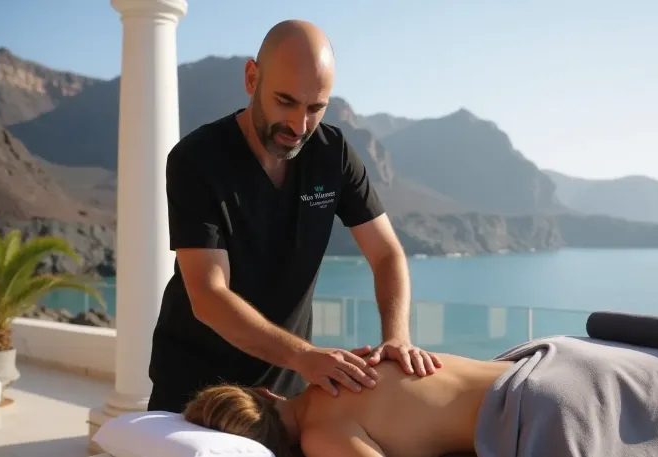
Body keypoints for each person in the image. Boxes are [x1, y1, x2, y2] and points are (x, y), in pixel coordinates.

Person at [147, 19, 442, 414]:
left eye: (315, 108)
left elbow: (386, 253)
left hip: (286, 394)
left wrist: (397, 338)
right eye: (285, 101)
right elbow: (208, 295)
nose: (298, 126)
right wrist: (305, 355)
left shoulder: (332, 154)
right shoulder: (196, 160)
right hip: (194, 392)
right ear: (252, 78)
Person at [183, 335, 658, 457]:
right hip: (556, 357)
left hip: (546, 413)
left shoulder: (322, 439)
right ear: (263, 391)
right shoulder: (335, 365)